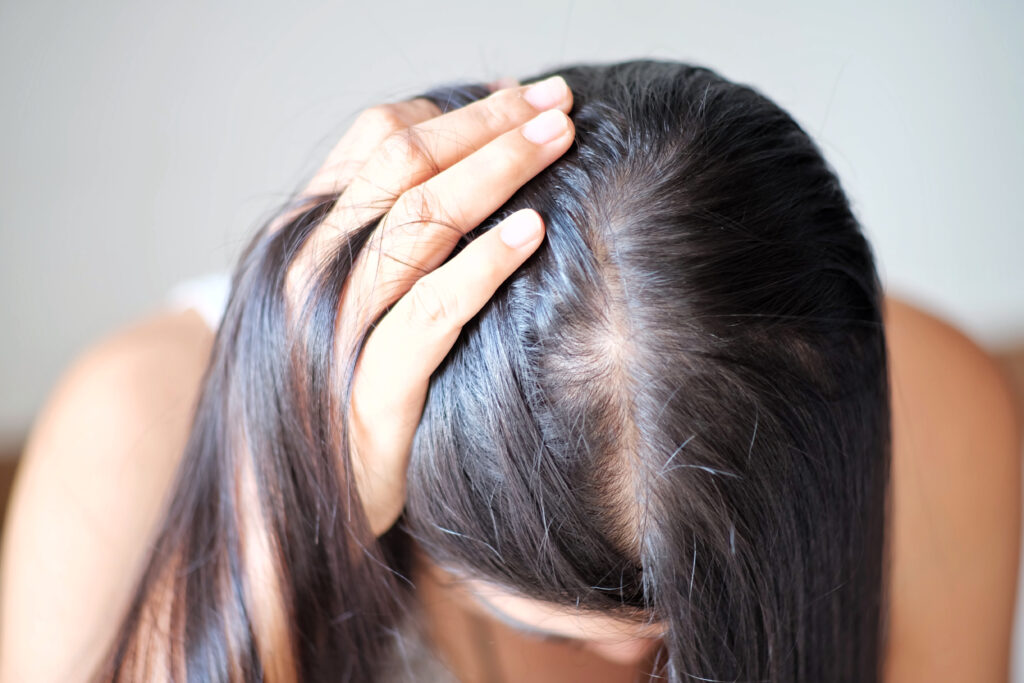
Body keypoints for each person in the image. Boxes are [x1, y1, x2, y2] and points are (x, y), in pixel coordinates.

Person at [0, 59, 1020, 683]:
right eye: (560, 630)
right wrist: (291, 509)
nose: (639, 658)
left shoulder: (934, 420)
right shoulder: (130, 436)